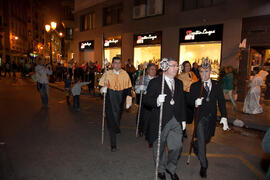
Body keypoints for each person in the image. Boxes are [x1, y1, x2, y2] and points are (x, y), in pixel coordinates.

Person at [143, 58, 186, 180]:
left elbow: (181, 102)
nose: (176, 68)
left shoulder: (179, 83)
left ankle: (171, 167)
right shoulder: (156, 82)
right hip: (161, 120)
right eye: (174, 66)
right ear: (166, 67)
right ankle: (161, 169)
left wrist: (183, 120)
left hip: (176, 120)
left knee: (177, 146)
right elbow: (146, 100)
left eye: (177, 66)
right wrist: (156, 101)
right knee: (160, 147)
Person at [189, 59, 229, 178]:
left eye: (206, 71)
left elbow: (221, 101)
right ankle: (204, 165)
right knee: (202, 140)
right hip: (200, 117)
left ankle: (196, 144)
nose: (204, 74)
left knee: (206, 138)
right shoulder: (195, 86)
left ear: (210, 71)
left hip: (211, 118)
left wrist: (224, 117)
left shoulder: (217, 85)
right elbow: (189, 100)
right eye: (201, 71)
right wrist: (194, 103)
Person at [99, 56, 132, 152]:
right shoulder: (107, 74)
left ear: (121, 64)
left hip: (120, 100)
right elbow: (100, 86)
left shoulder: (125, 74)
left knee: (116, 118)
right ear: (112, 64)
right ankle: (113, 144)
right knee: (111, 120)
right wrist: (102, 89)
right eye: (115, 63)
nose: (117, 65)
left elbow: (128, 90)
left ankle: (115, 127)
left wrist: (128, 102)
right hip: (109, 99)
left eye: (119, 63)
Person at [134, 63, 157, 137]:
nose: (154, 71)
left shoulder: (158, 79)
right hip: (144, 99)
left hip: (154, 100)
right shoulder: (142, 78)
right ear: (147, 70)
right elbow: (136, 89)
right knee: (142, 115)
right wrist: (139, 88)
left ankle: (150, 130)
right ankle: (140, 129)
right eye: (152, 69)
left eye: (155, 69)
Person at [179, 61, 198, 137]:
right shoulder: (181, 75)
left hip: (192, 95)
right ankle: (183, 130)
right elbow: (184, 85)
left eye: (189, 66)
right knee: (184, 114)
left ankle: (184, 128)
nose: (188, 67)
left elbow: (196, 82)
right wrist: (191, 82)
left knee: (190, 115)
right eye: (186, 66)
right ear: (183, 67)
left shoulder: (192, 73)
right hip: (185, 95)